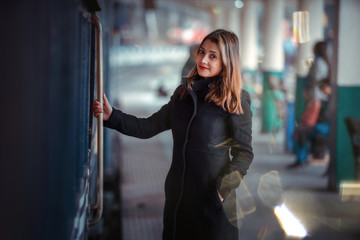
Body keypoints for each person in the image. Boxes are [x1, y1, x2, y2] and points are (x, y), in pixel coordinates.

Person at [93, 29, 254, 240]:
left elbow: (243, 154)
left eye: (213, 56)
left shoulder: (235, 100)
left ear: (227, 61)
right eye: (201, 52)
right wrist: (112, 116)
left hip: (213, 206)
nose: (203, 59)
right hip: (178, 200)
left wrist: (220, 191)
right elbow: (148, 126)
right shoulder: (183, 95)